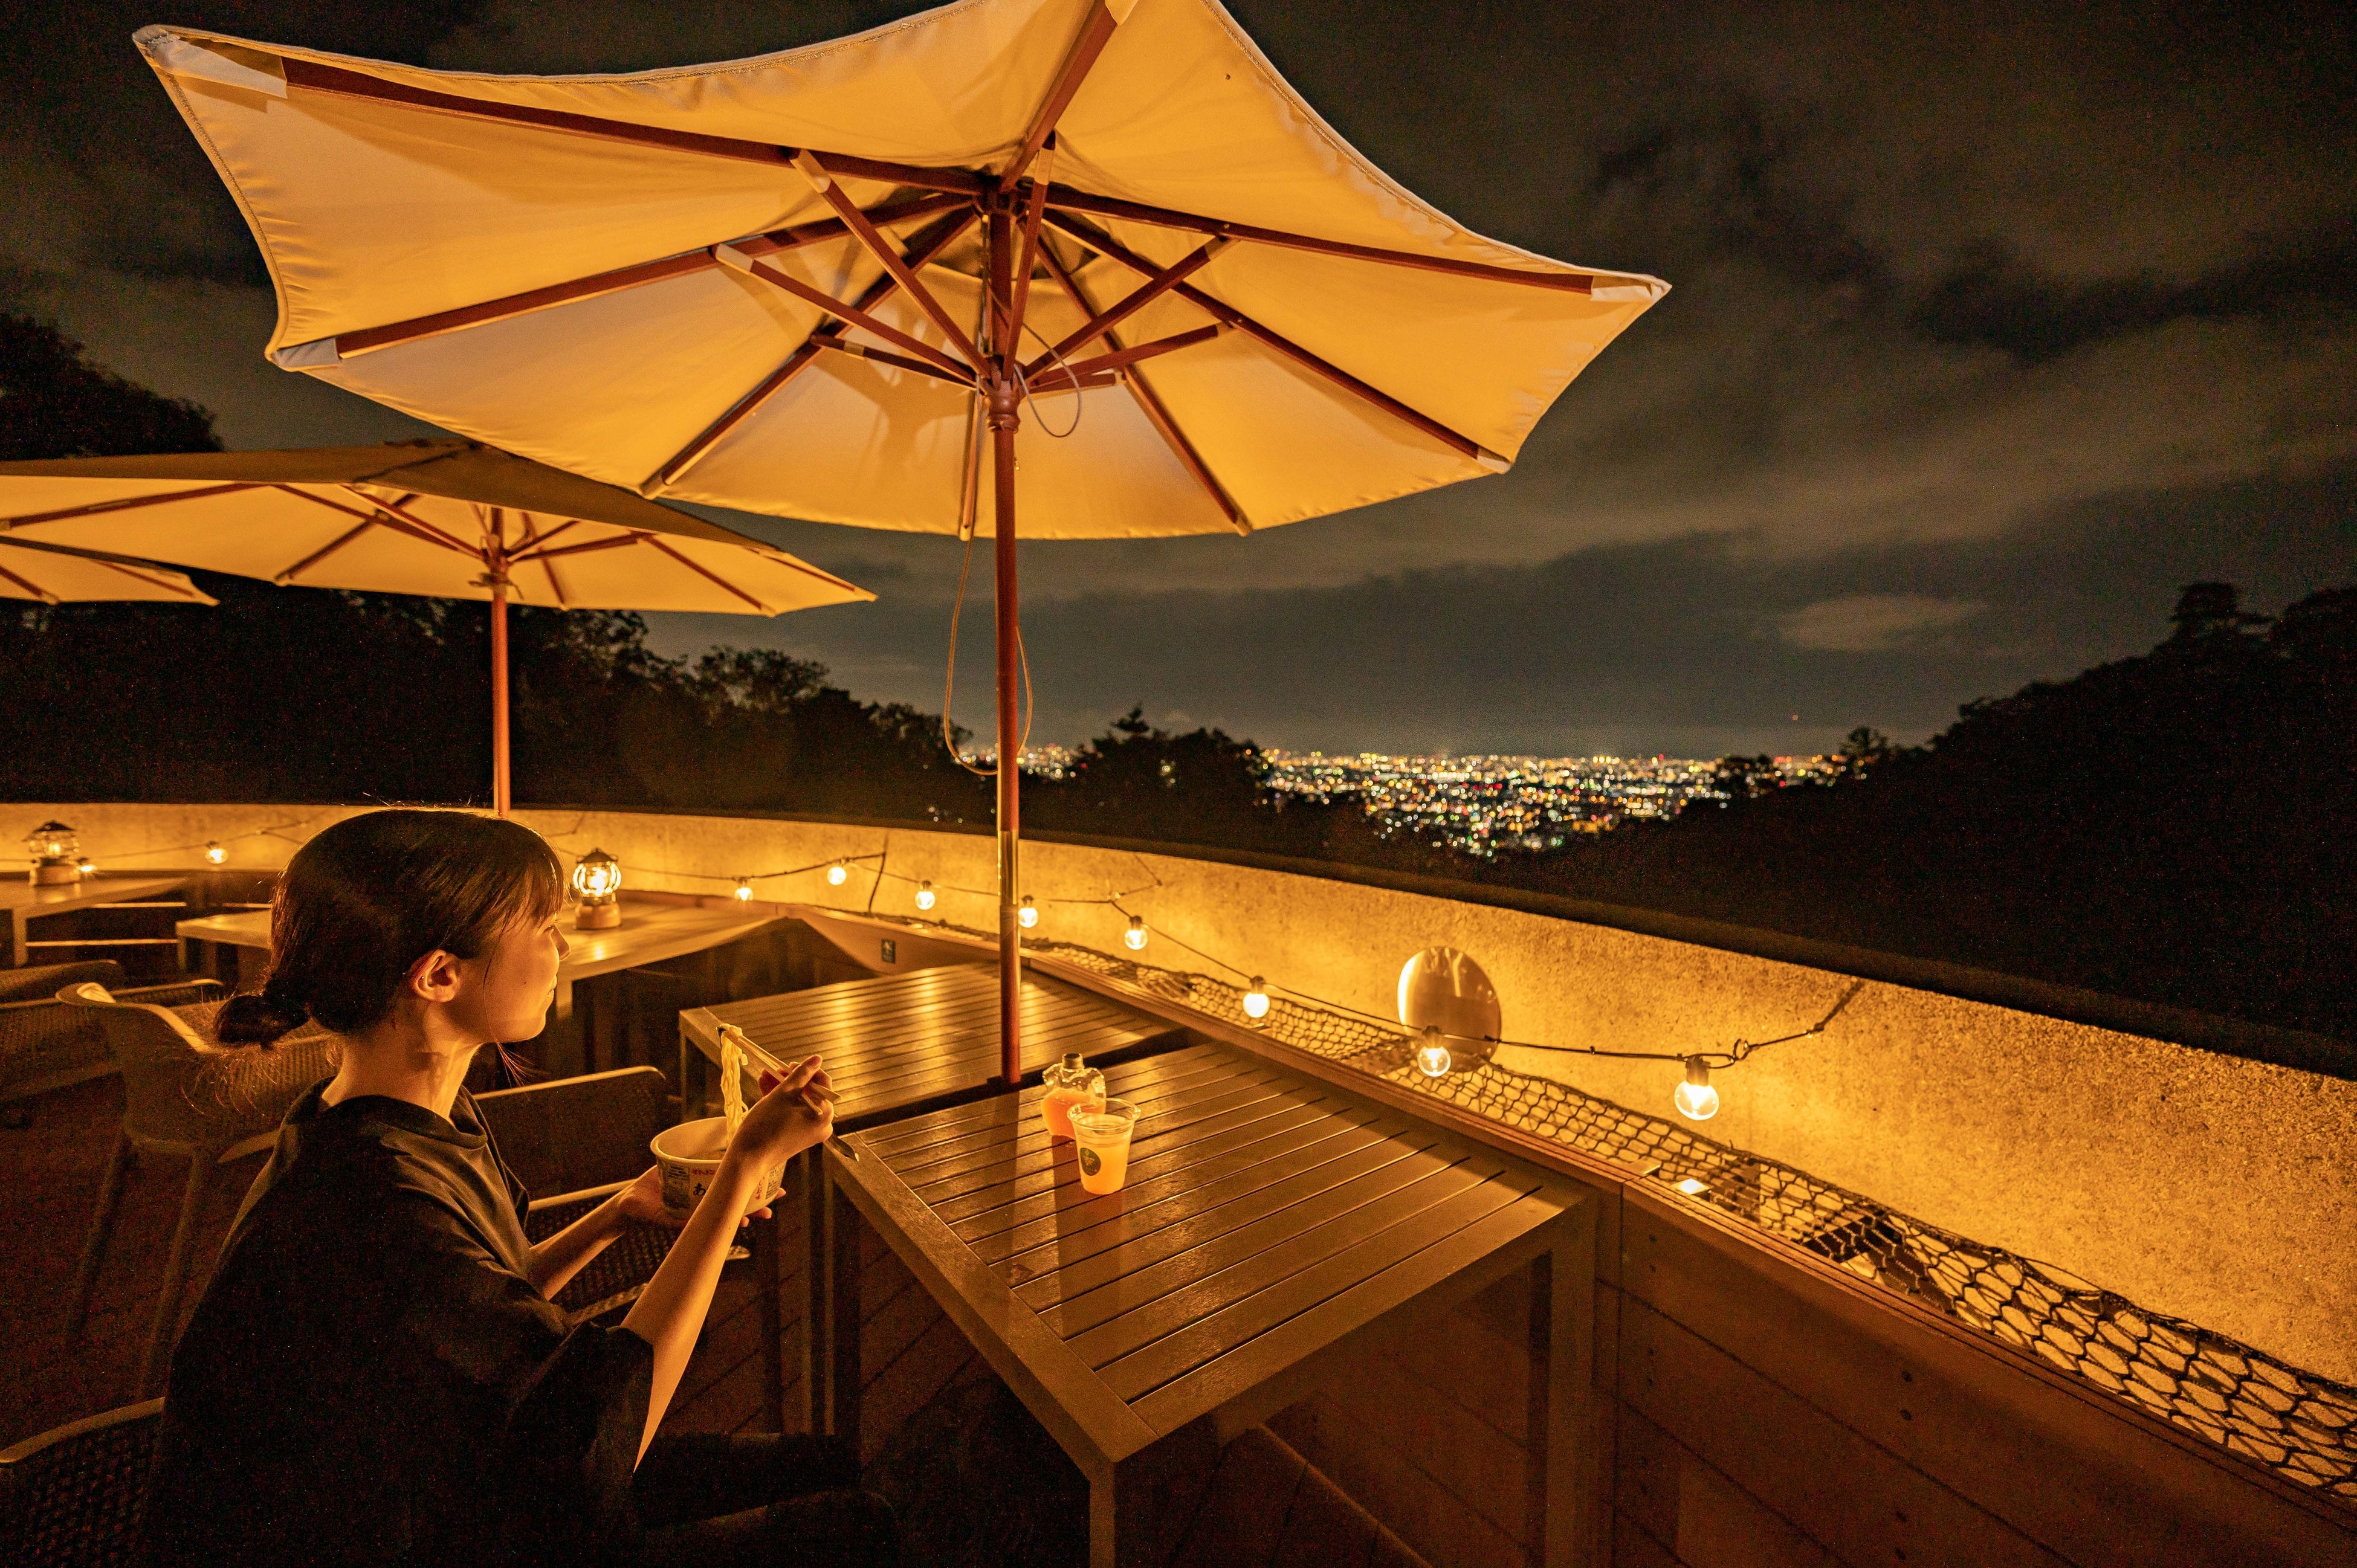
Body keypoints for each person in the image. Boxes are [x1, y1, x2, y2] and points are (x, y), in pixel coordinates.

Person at [138, 809, 897, 1568]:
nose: (562, 948)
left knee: (823, 1462)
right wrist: (743, 1167)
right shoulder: (370, 1204)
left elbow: (482, 1308)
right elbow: (594, 1446)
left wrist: (617, 1215)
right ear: (440, 975)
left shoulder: (393, 1118)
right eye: (543, 927)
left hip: (466, 1472)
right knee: (853, 1524)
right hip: (441, 1525)